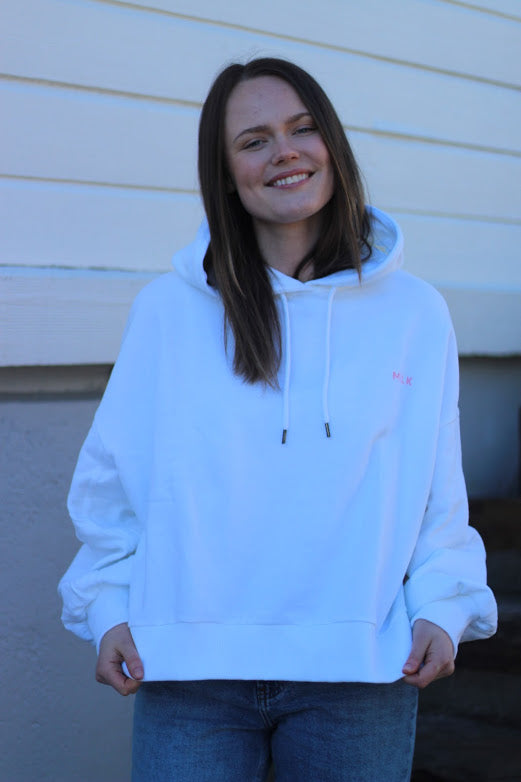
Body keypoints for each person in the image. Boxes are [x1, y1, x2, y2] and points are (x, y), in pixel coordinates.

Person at [59, 58, 497, 782]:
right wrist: (107, 605)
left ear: (332, 144)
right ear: (226, 173)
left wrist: (441, 604)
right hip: (189, 670)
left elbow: (434, 484)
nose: (284, 152)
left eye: (302, 129)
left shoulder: (414, 313)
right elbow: (113, 479)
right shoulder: (168, 312)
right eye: (254, 140)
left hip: (359, 669)